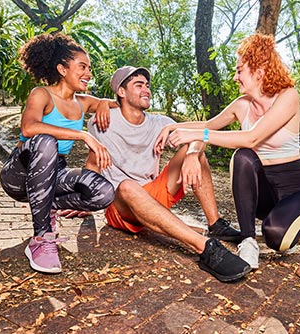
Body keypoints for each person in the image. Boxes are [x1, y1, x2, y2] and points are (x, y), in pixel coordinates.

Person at [156, 33, 300, 269]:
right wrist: (172, 126)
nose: (235, 77)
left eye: (239, 70)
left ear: (260, 69)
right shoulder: (241, 105)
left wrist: (196, 136)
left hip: (299, 191)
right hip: (266, 194)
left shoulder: (287, 96)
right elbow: (207, 125)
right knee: (243, 156)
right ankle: (248, 241)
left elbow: (252, 137)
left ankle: (286, 228)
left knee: (277, 238)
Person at [85, 66, 251, 282]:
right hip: (120, 206)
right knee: (126, 186)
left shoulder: (160, 123)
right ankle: (205, 248)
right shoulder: (102, 122)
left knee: (196, 152)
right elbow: (71, 104)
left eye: (147, 85)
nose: (146, 90)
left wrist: (192, 154)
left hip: (153, 195)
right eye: (138, 85)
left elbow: (198, 135)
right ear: (121, 92)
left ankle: (215, 225)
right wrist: (83, 203)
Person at [0, 33, 117, 274]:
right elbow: (29, 128)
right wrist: (84, 135)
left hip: (54, 175)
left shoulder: (82, 102)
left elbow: (118, 103)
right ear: (63, 69)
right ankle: (41, 239)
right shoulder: (42, 94)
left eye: (90, 68)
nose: (88, 73)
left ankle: (47, 206)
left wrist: (104, 102)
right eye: (82, 67)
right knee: (45, 140)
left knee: (104, 192)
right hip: (19, 173)